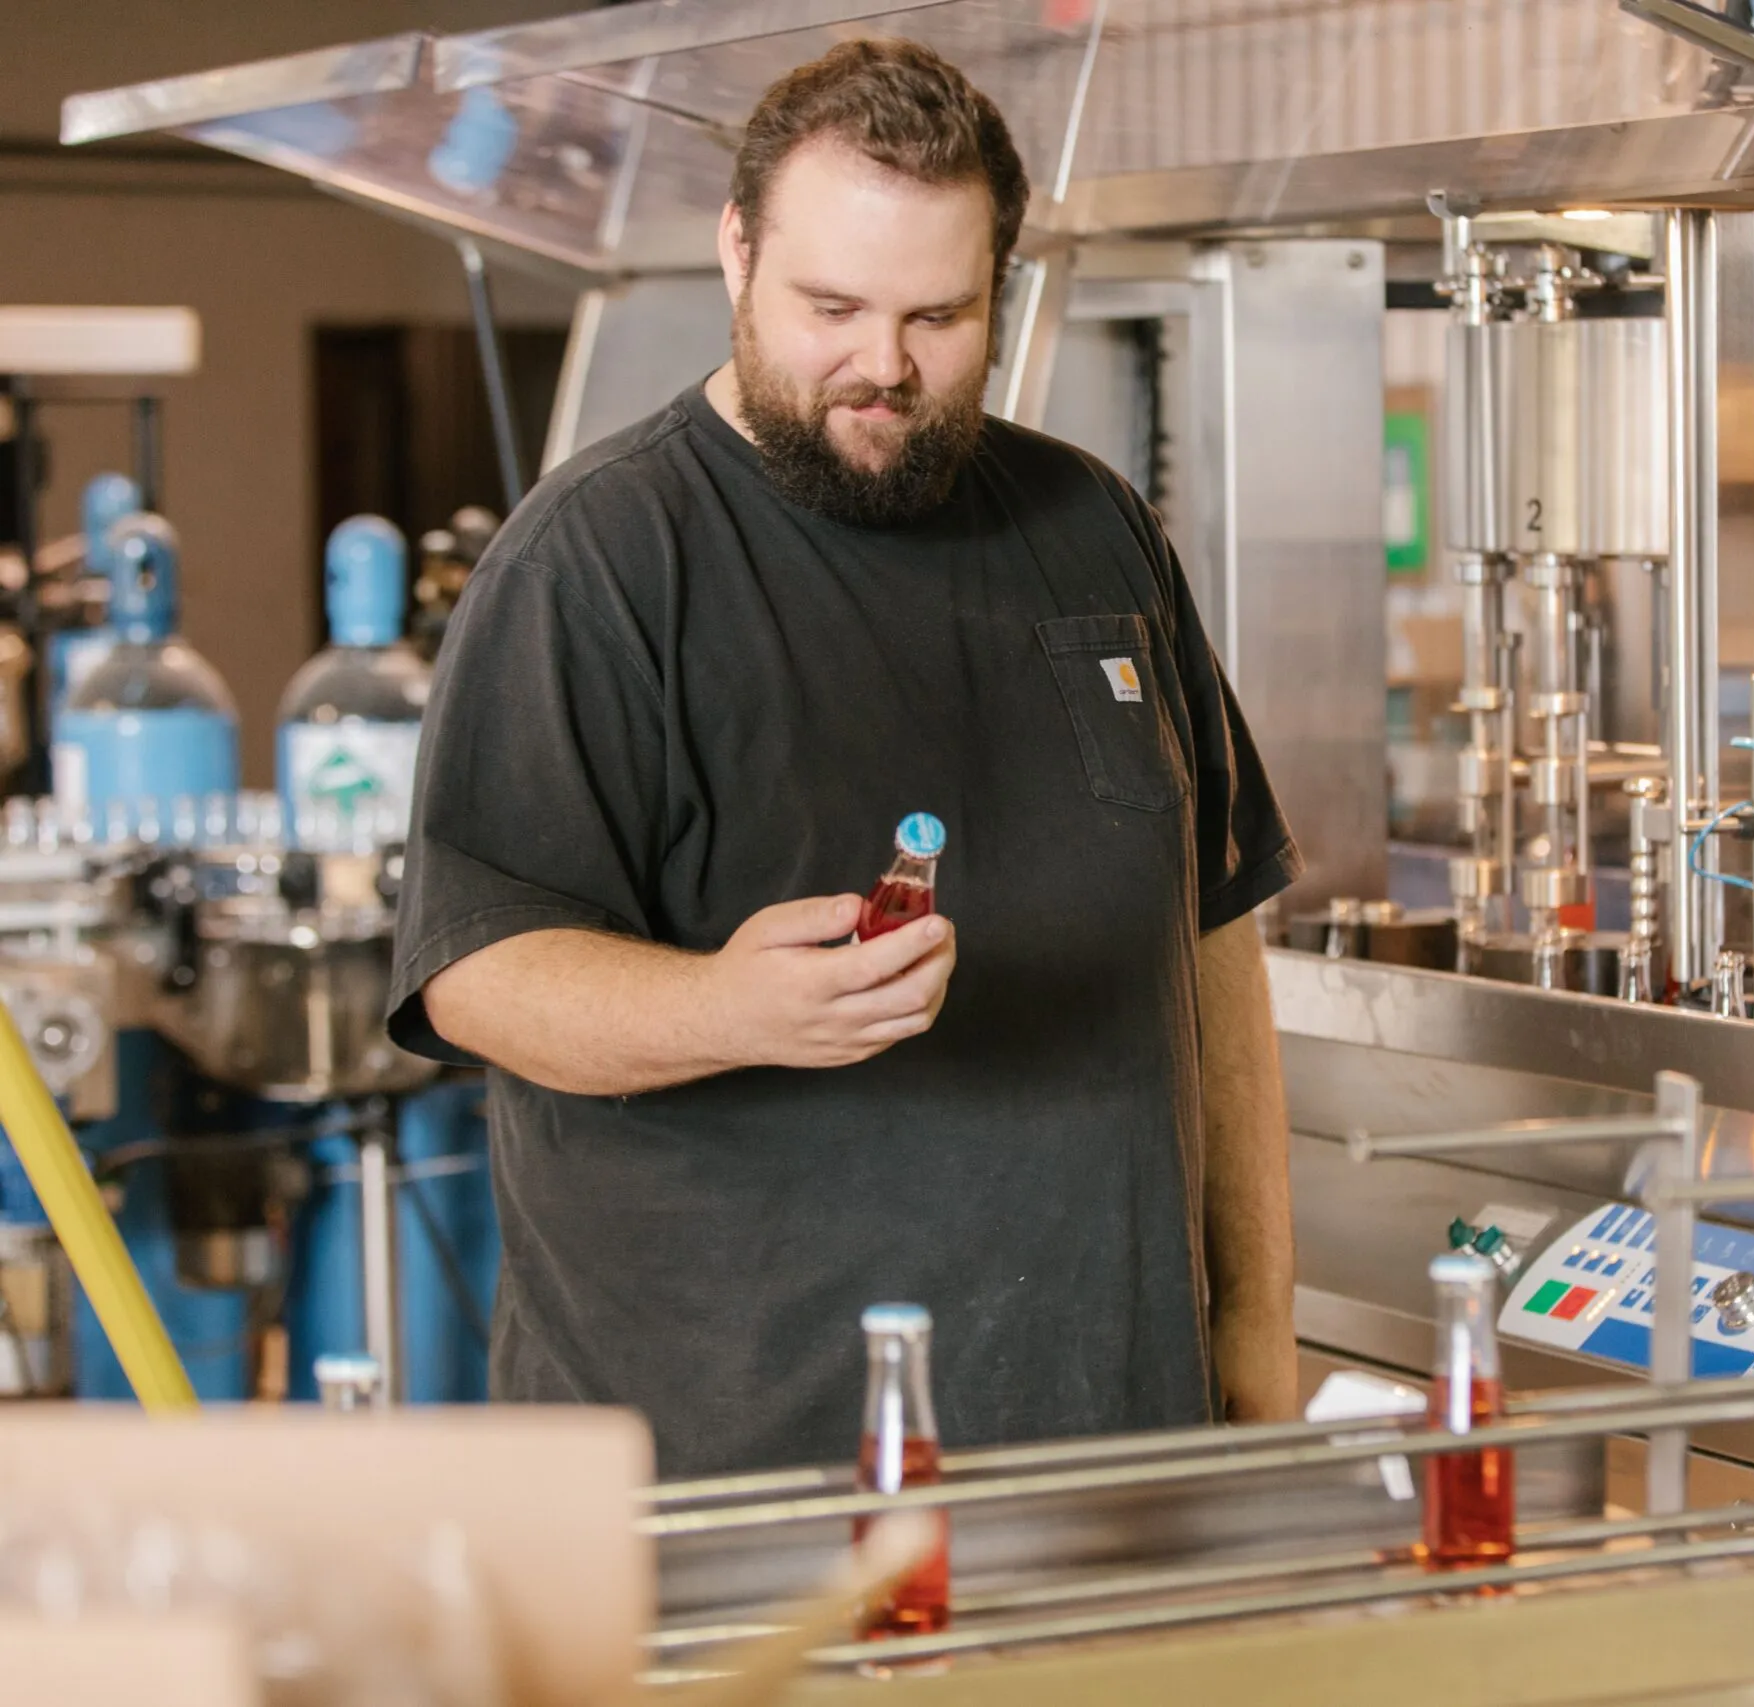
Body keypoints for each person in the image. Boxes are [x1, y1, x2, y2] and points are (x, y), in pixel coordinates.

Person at [388, 38, 1302, 1478]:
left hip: (1109, 1450)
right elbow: (476, 968)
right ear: (738, 252)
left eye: (940, 315)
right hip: (744, 1475)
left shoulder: (1092, 527)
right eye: (834, 307)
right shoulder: (602, 561)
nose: (885, 366)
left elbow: (1213, 939)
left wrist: (1254, 1319)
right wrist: (726, 1009)